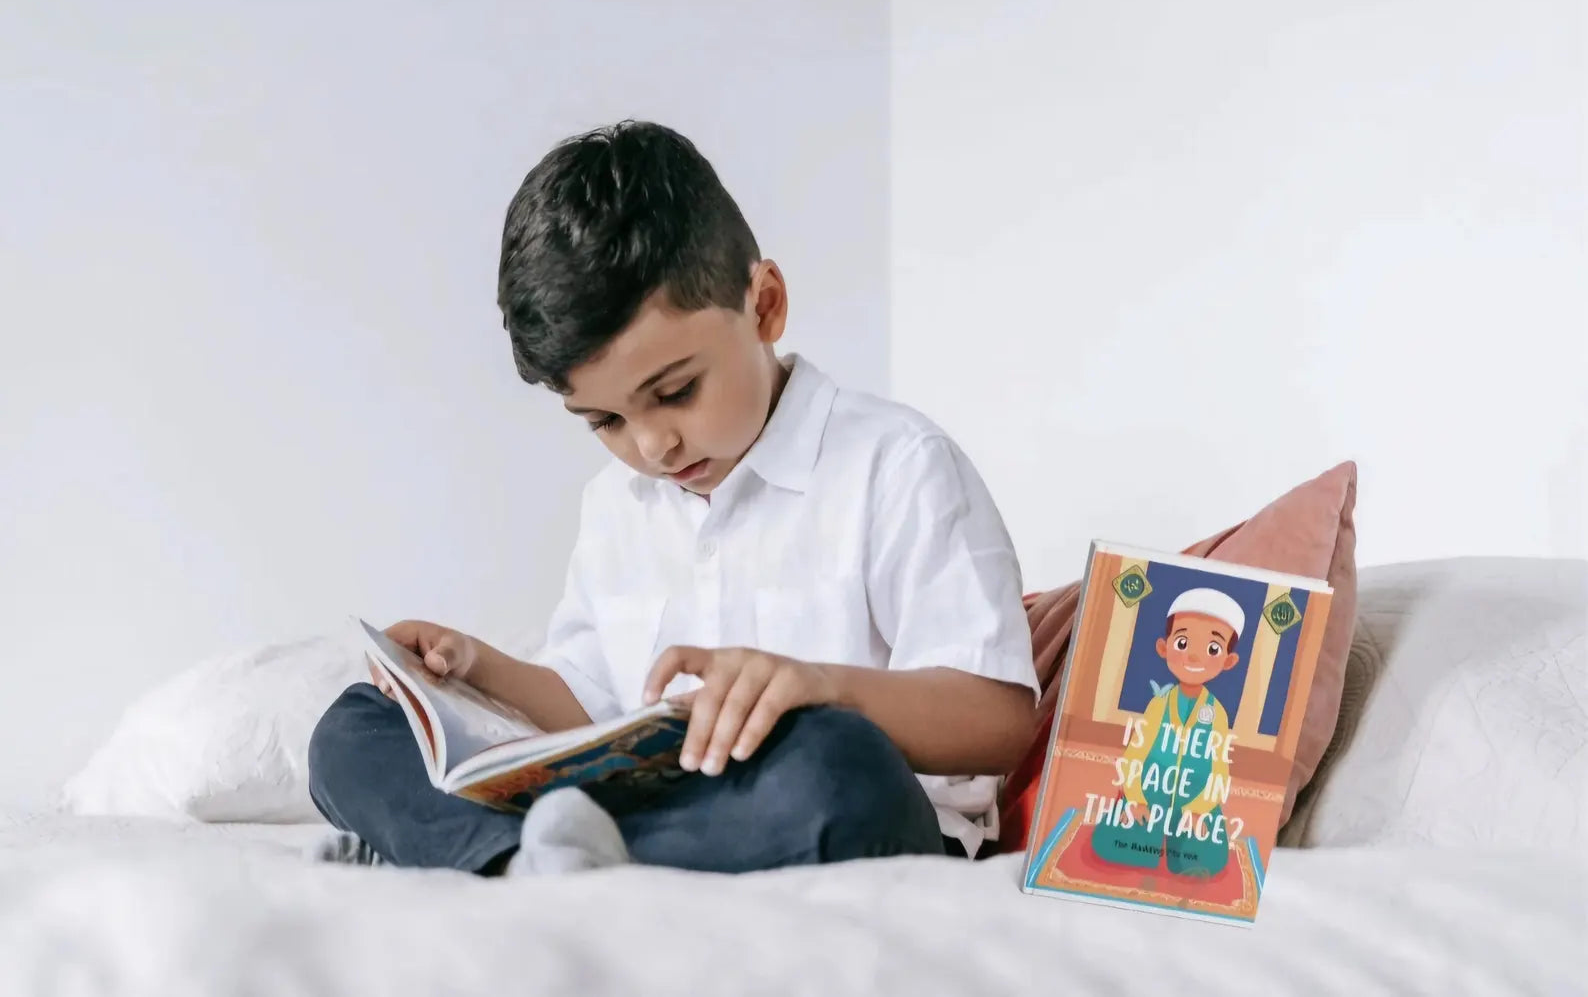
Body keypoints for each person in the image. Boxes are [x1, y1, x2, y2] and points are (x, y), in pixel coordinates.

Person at [307, 121, 1039, 876]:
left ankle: (481, 853)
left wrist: (825, 687)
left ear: (765, 305)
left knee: (837, 759)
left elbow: (1002, 721)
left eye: (677, 391)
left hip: (836, 802)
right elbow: (591, 708)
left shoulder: (898, 465)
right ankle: (532, 858)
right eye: (606, 421)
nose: (653, 446)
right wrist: (473, 670)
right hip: (655, 807)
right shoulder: (617, 505)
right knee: (349, 731)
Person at [1090, 587, 1242, 877]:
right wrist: (1135, 799)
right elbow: (1135, 753)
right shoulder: (1158, 706)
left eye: (1212, 649)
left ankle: (1186, 843)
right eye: (1183, 643)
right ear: (1164, 647)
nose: (1195, 657)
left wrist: (1200, 809)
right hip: (1151, 794)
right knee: (1113, 842)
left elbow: (1219, 767)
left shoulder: (1217, 714)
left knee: (1206, 858)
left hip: (1194, 798)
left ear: (1227, 661)